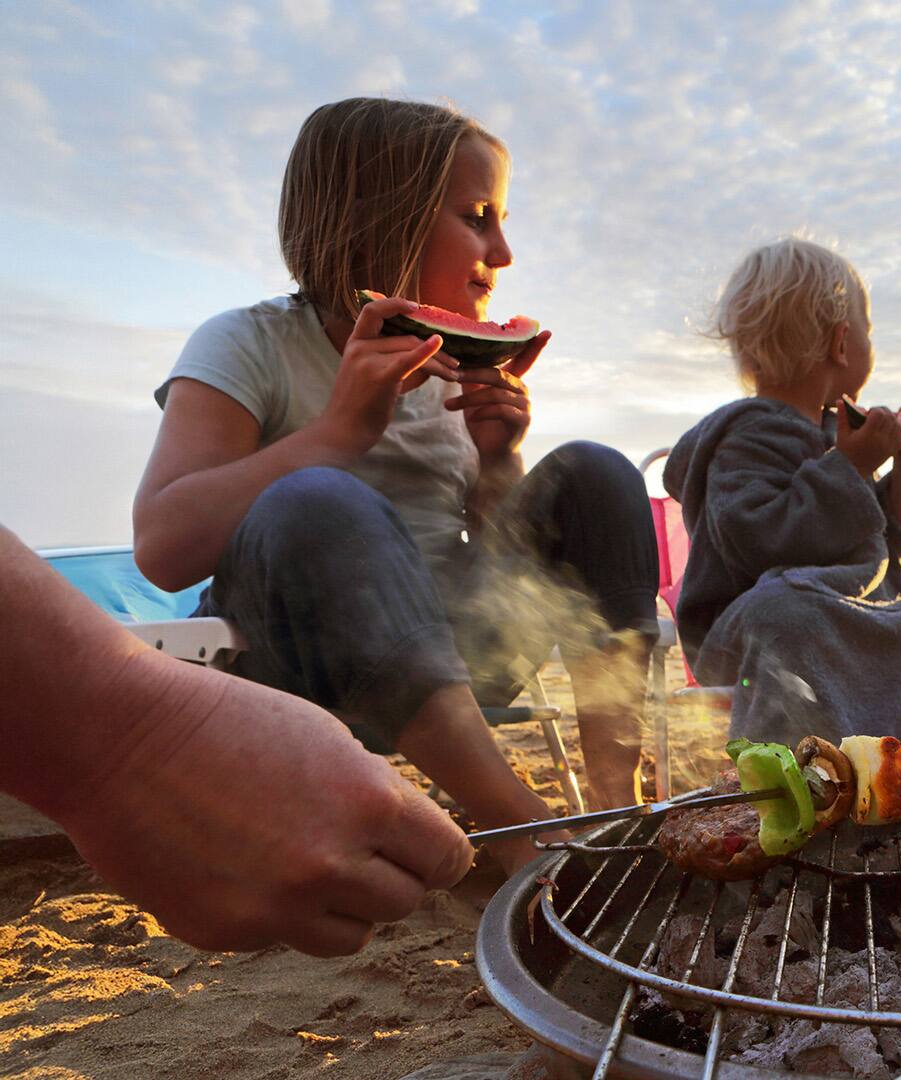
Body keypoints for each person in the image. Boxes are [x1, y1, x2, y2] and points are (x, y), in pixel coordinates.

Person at [132, 98, 660, 868]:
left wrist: (498, 461)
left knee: (597, 473)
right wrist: (334, 436)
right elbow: (161, 547)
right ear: (388, 218)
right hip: (294, 667)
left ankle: (617, 802)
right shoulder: (247, 343)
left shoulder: (449, 366)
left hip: (453, 656)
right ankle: (517, 825)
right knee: (320, 497)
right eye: (478, 217)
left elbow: (506, 581)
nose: (504, 251)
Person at [0, 526, 472, 958]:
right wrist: (141, 736)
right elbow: (165, 545)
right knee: (314, 501)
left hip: (437, 627)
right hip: (313, 635)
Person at [664, 237, 901, 746]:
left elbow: (875, 543)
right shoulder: (748, 433)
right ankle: (816, 777)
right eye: (869, 330)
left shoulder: (837, 432)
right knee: (789, 614)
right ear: (842, 343)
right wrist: (853, 463)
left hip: (841, 618)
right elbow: (758, 539)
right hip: (753, 631)